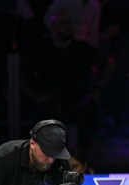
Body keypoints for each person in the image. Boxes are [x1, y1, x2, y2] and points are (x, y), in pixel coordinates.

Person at [21, 10, 115, 151]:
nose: (68, 26)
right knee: (42, 116)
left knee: (90, 113)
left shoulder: (82, 49)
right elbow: (22, 74)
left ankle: (82, 155)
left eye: (69, 22)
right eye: (63, 23)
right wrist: (34, 96)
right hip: (52, 102)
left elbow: (109, 64)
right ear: (54, 27)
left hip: (79, 101)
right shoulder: (44, 51)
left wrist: (97, 88)